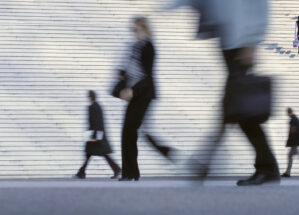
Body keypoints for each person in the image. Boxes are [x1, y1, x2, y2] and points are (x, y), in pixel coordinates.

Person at [170, 0, 280, 186]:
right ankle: (266, 168)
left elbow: (259, 4)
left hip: (241, 43)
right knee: (241, 112)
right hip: (229, 40)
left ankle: (205, 162)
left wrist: (253, 40)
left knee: (235, 109)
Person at [117, 16, 171, 181]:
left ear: (145, 29)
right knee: (128, 133)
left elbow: (147, 75)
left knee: (132, 131)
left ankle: (132, 171)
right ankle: (130, 172)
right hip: (134, 93)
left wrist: (132, 90)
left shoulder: (149, 47)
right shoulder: (134, 47)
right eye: (131, 29)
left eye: (136, 29)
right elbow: (130, 68)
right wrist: (121, 75)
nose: (133, 32)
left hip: (144, 94)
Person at [75, 90, 121, 179]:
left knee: (94, 153)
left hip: (94, 135)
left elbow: (95, 122)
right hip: (97, 134)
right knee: (92, 153)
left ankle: (116, 169)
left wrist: (94, 136)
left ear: (90, 97)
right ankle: (82, 172)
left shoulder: (92, 107)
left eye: (88, 96)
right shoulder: (98, 106)